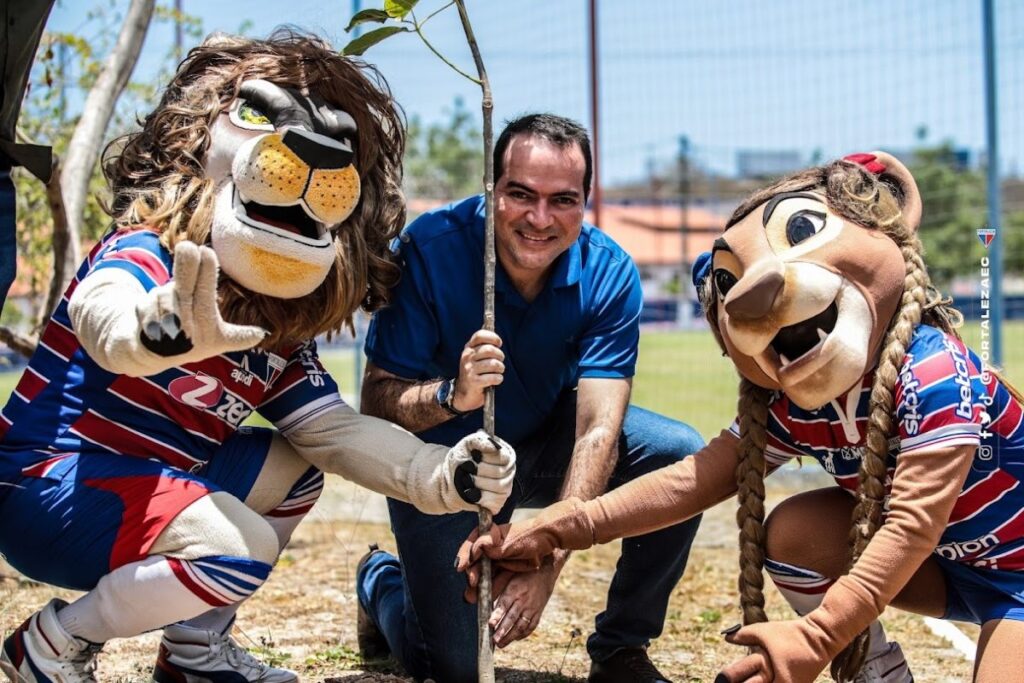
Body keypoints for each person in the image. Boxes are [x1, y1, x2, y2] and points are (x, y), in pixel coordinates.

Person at [0, 33, 514, 683]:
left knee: (296, 468)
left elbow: (336, 433)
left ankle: (192, 653)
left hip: (147, 486)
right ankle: (51, 642)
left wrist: (441, 475)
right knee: (238, 547)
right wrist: (159, 331)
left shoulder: (273, 334)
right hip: (50, 488)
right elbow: (104, 320)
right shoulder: (149, 252)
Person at [457, 152, 1024, 683]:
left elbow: (910, 526)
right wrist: (559, 526)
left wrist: (816, 637)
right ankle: (878, 669)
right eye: (729, 285)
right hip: (951, 570)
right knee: (792, 534)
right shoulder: (799, 399)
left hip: (1008, 574)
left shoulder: (935, 372)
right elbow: (695, 478)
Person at [358, 113, 704, 683]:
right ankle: (379, 581)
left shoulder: (609, 269)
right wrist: (453, 393)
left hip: (549, 443)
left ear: (586, 200)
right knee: (452, 667)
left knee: (679, 456)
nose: (540, 219)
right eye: (521, 194)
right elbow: (377, 398)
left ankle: (621, 648)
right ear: (492, 189)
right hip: (448, 467)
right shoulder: (430, 247)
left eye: (563, 200)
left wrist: (551, 555)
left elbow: (597, 428)